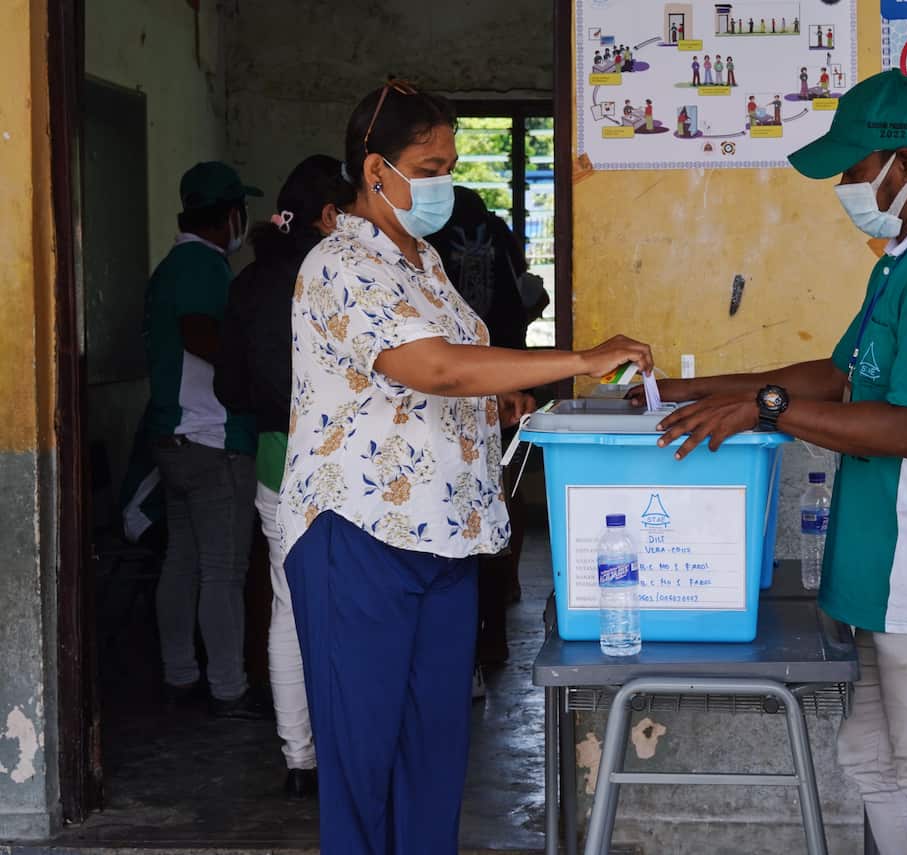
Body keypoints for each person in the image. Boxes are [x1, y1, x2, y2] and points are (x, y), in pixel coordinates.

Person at [279, 80, 653, 855]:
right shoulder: (340, 262)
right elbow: (436, 367)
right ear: (375, 169)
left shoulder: (425, 262)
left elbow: (452, 379)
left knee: (435, 759)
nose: (445, 178)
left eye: (450, 160)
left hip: (446, 542)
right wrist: (578, 359)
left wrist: (501, 401)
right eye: (430, 162)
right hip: (360, 539)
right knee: (365, 762)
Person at [635, 70, 907, 855]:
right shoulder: (901, 259)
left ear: (902, 164)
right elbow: (838, 375)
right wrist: (691, 386)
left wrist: (763, 410)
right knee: (867, 757)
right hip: (872, 570)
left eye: (853, 169)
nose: (845, 186)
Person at [213, 154, 346, 797]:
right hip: (348, 466)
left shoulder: (247, 282)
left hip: (274, 460)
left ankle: (300, 760)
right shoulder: (335, 276)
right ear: (329, 217)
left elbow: (229, 386)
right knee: (356, 608)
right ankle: (354, 747)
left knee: (288, 612)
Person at [143, 161, 268, 720]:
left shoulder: (170, 266)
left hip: (174, 438)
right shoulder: (202, 265)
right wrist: (252, 369)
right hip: (212, 439)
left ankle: (179, 675)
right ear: (229, 216)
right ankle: (227, 688)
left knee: (182, 562)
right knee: (221, 571)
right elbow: (201, 333)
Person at [424, 185, 538, 690]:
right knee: (498, 500)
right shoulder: (499, 233)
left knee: (455, 518)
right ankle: (495, 630)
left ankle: (465, 652)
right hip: (504, 374)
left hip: (444, 388)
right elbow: (532, 294)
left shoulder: (425, 246)